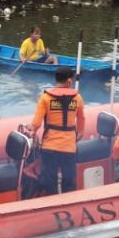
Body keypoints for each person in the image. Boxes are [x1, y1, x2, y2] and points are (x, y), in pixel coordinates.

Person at [25, 66, 85, 195]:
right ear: (69, 81)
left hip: (50, 146)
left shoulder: (45, 98)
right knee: (69, 181)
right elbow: (81, 119)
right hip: (69, 147)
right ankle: (69, 203)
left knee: (49, 181)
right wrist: (79, 133)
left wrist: (30, 127)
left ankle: (51, 202)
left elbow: (36, 123)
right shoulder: (78, 98)